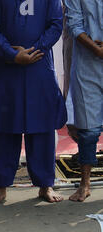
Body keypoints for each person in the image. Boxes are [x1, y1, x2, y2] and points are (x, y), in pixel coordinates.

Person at [0, 0, 67, 205]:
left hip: (38, 64)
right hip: (5, 67)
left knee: (42, 124)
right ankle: (0, 186)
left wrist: (34, 51)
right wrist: (12, 54)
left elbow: (56, 24)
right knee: (4, 123)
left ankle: (45, 184)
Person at [65, 0, 103, 202]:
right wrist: (95, 48)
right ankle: (85, 183)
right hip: (87, 63)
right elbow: (73, 24)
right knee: (88, 130)